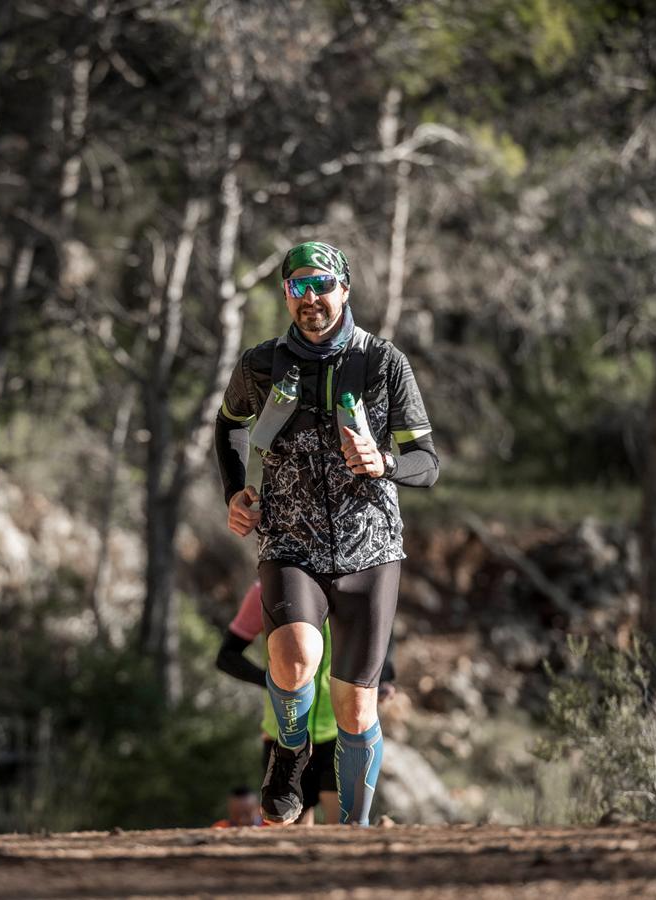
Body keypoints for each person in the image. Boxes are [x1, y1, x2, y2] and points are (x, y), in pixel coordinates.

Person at [213, 240, 439, 826]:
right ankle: (290, 753)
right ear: (286, 295)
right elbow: (230, 424)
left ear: (344, 288)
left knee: (356, 708)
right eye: (297, 287)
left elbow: (427, 461)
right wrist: (235, 491)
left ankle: (356, 833)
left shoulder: (385, 363)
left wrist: (383, 463)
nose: (310, 298)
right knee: (293, 658)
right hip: (289, 539)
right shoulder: (260, 364)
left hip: (372, 547)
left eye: (321, 284)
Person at [215, 579, 398, 825]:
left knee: (341, 830)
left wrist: (381, 680)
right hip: (284, 732)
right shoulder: (269, 589)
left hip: (337, 731)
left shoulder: (350, 585)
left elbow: (379, 637)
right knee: (293, 834)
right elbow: (227, 656)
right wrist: (276, 683)